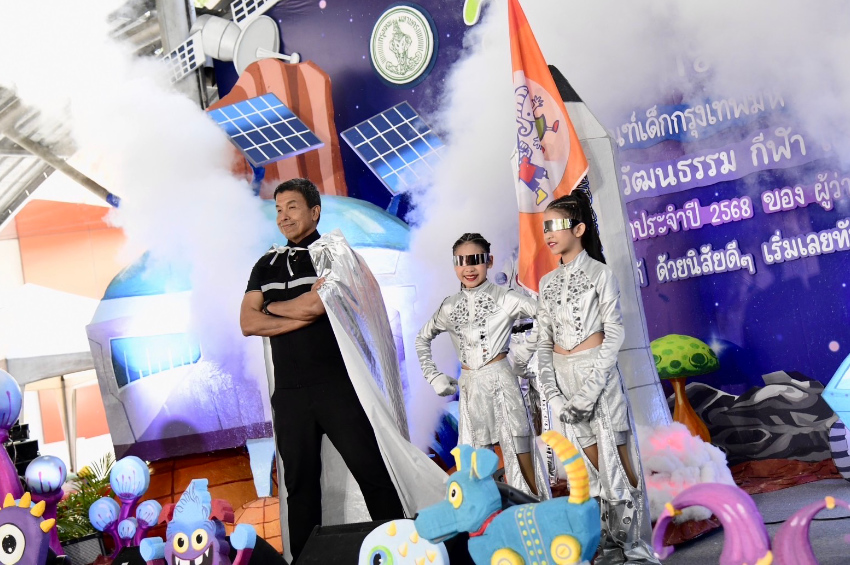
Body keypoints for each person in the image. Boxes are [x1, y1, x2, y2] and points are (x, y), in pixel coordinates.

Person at [240, 178, 406, 560]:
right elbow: (248, 322)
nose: (284, 217)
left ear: (314, 211)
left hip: (335, 386)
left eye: (292, 207)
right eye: (278, 210)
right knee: (299, 488)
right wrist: (295, 310)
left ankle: (398, 551)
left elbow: (318, 307)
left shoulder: (332, 253)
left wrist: (271, 308)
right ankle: (306, 561)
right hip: (290, 396)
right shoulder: (265, 264)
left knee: (372, 472)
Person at [536, 188, 659, 564]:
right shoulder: (546, 283)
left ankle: (635, 545)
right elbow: (543, 342)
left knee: (617, 462)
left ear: (579, 229)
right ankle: (606, 544)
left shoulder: (601, 275)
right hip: (563, 377)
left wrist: (590, 389)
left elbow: (614, 334)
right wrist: (552, 392)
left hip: (598, 376)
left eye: (557, 225)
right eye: (545, 227)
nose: (549, 233)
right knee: (587, 469)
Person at [415, 233, 549, 498]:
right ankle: (487, 519)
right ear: (455, 265)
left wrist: (523, 352)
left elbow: (547, 316)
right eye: (461, 261)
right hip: (470, 389)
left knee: (520, 455)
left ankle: (536, 513)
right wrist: (433, 376)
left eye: (475, 259)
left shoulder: (505, 297)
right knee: (474, 464)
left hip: (501, 381)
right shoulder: (449, 306)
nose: (469, 268)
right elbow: (422, 339)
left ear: (489, 261)